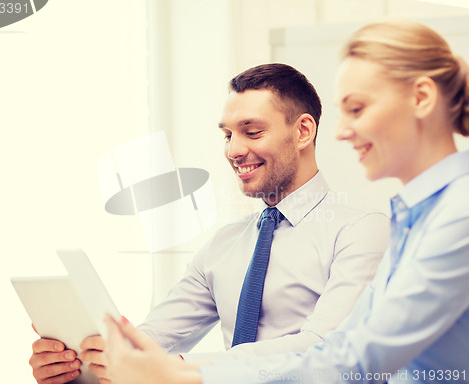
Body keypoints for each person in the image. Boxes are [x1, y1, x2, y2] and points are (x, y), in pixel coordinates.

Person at [103, 19, 469, 384]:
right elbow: (344, 347)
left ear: (421, 98)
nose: (341, 131)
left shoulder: (453, 215)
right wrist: (97, 358)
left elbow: (356, 360)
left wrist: (188, 373)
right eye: (227, 135)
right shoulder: (414, 217)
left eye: (357, 109)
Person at [29, 64, 389, 384]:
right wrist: (81, 367)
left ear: (303, 131)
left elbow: (324, 349)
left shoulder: (362, 229)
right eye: (228, 135)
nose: (233, 151)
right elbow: (153, 338)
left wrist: (182, 370)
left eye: (251, 131)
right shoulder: (225, 245)